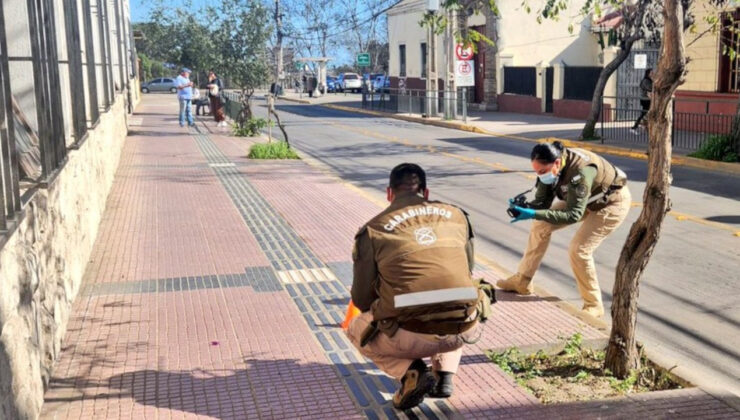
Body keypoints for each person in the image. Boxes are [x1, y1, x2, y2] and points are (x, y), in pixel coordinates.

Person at [347, 163, 487, 410]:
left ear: (389, 193)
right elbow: (467, 268)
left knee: (355, 328)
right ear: (426, 192)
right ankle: (444, 375)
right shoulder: (457, 216)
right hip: (464, 329)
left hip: (410, 336)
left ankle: (412, 372)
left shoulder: (373, 230)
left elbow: (361, 299)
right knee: (453, 297)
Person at [501, 142, 631, 318]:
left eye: (542, 171)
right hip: (582, 199)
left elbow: (573, 214)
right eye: (537, 172)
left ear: (556, 163)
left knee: (579, 249)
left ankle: (593, 305)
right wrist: (525, 207)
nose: (540, 176)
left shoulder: (581, 172)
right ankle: (522, 281)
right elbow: (542, 203)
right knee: (540, 225)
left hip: (610, 202)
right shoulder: (550, 168)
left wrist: (533, 213)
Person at [631, 68, 653, 135]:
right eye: (651, 73)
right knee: (644, 113)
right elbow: (650, 88)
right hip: (645, 100)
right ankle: (634, 127)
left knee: (647, 113)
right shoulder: (645, 81)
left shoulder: (650, 80)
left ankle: (645, 127)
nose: (653, 74)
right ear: (648, 74)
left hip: (649, 99)